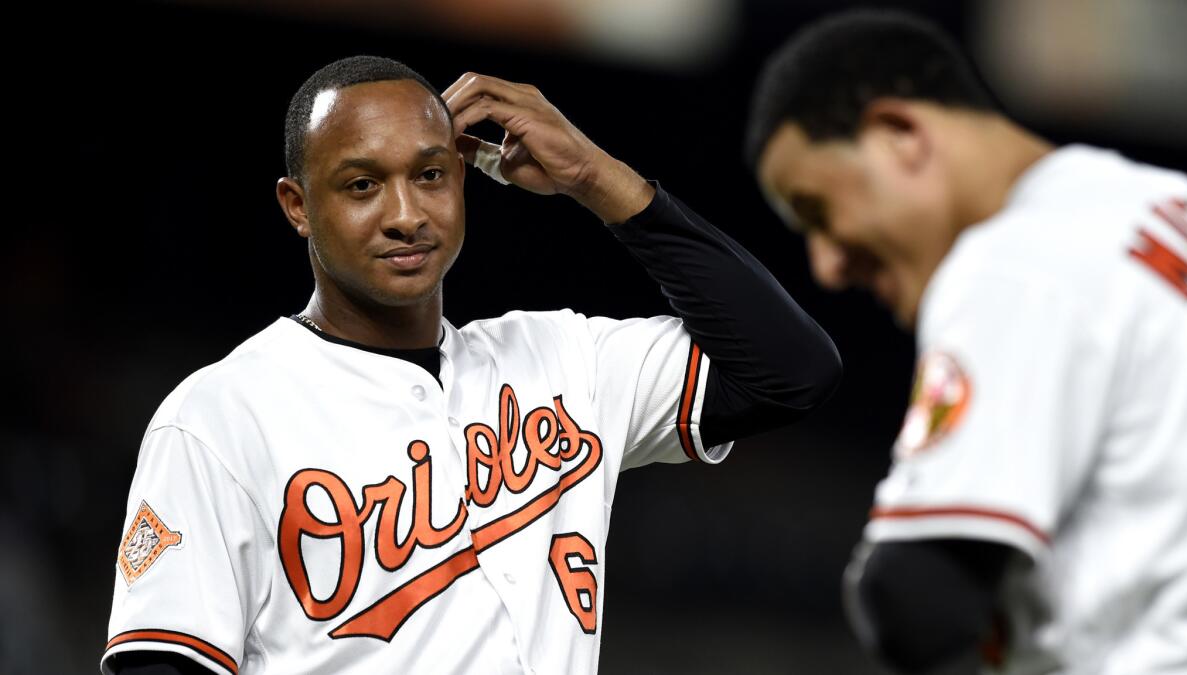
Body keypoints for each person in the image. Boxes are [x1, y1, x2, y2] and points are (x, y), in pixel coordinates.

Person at [101, 56, 841, 674]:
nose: (406, 214)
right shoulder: (222, 415)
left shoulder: (564, 360)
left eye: (429, 174)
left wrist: (594, 176)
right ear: (297, 205)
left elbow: (790, 368)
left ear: (463, 174)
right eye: (363, 185)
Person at [746, 9, 1187, 675]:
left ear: (899, 134)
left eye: (818, 211)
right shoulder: (1173, 202)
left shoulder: (1016, 259)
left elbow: (915, 596)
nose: (826, 265)